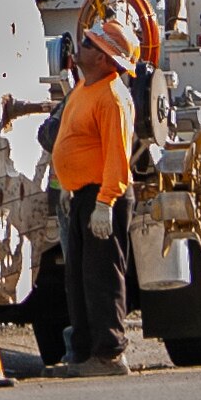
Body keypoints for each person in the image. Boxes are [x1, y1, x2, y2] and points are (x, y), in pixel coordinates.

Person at [46, 19, 139, 371]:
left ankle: (109, 353)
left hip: (104, 198)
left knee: (102, 277)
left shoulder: (113, 98)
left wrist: (105, 203)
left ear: (104, 59)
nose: (80, 46)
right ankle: (85, 354)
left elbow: (118, 156)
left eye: (89, 43)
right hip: (84, 195)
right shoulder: (85, 90)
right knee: (80, 279)